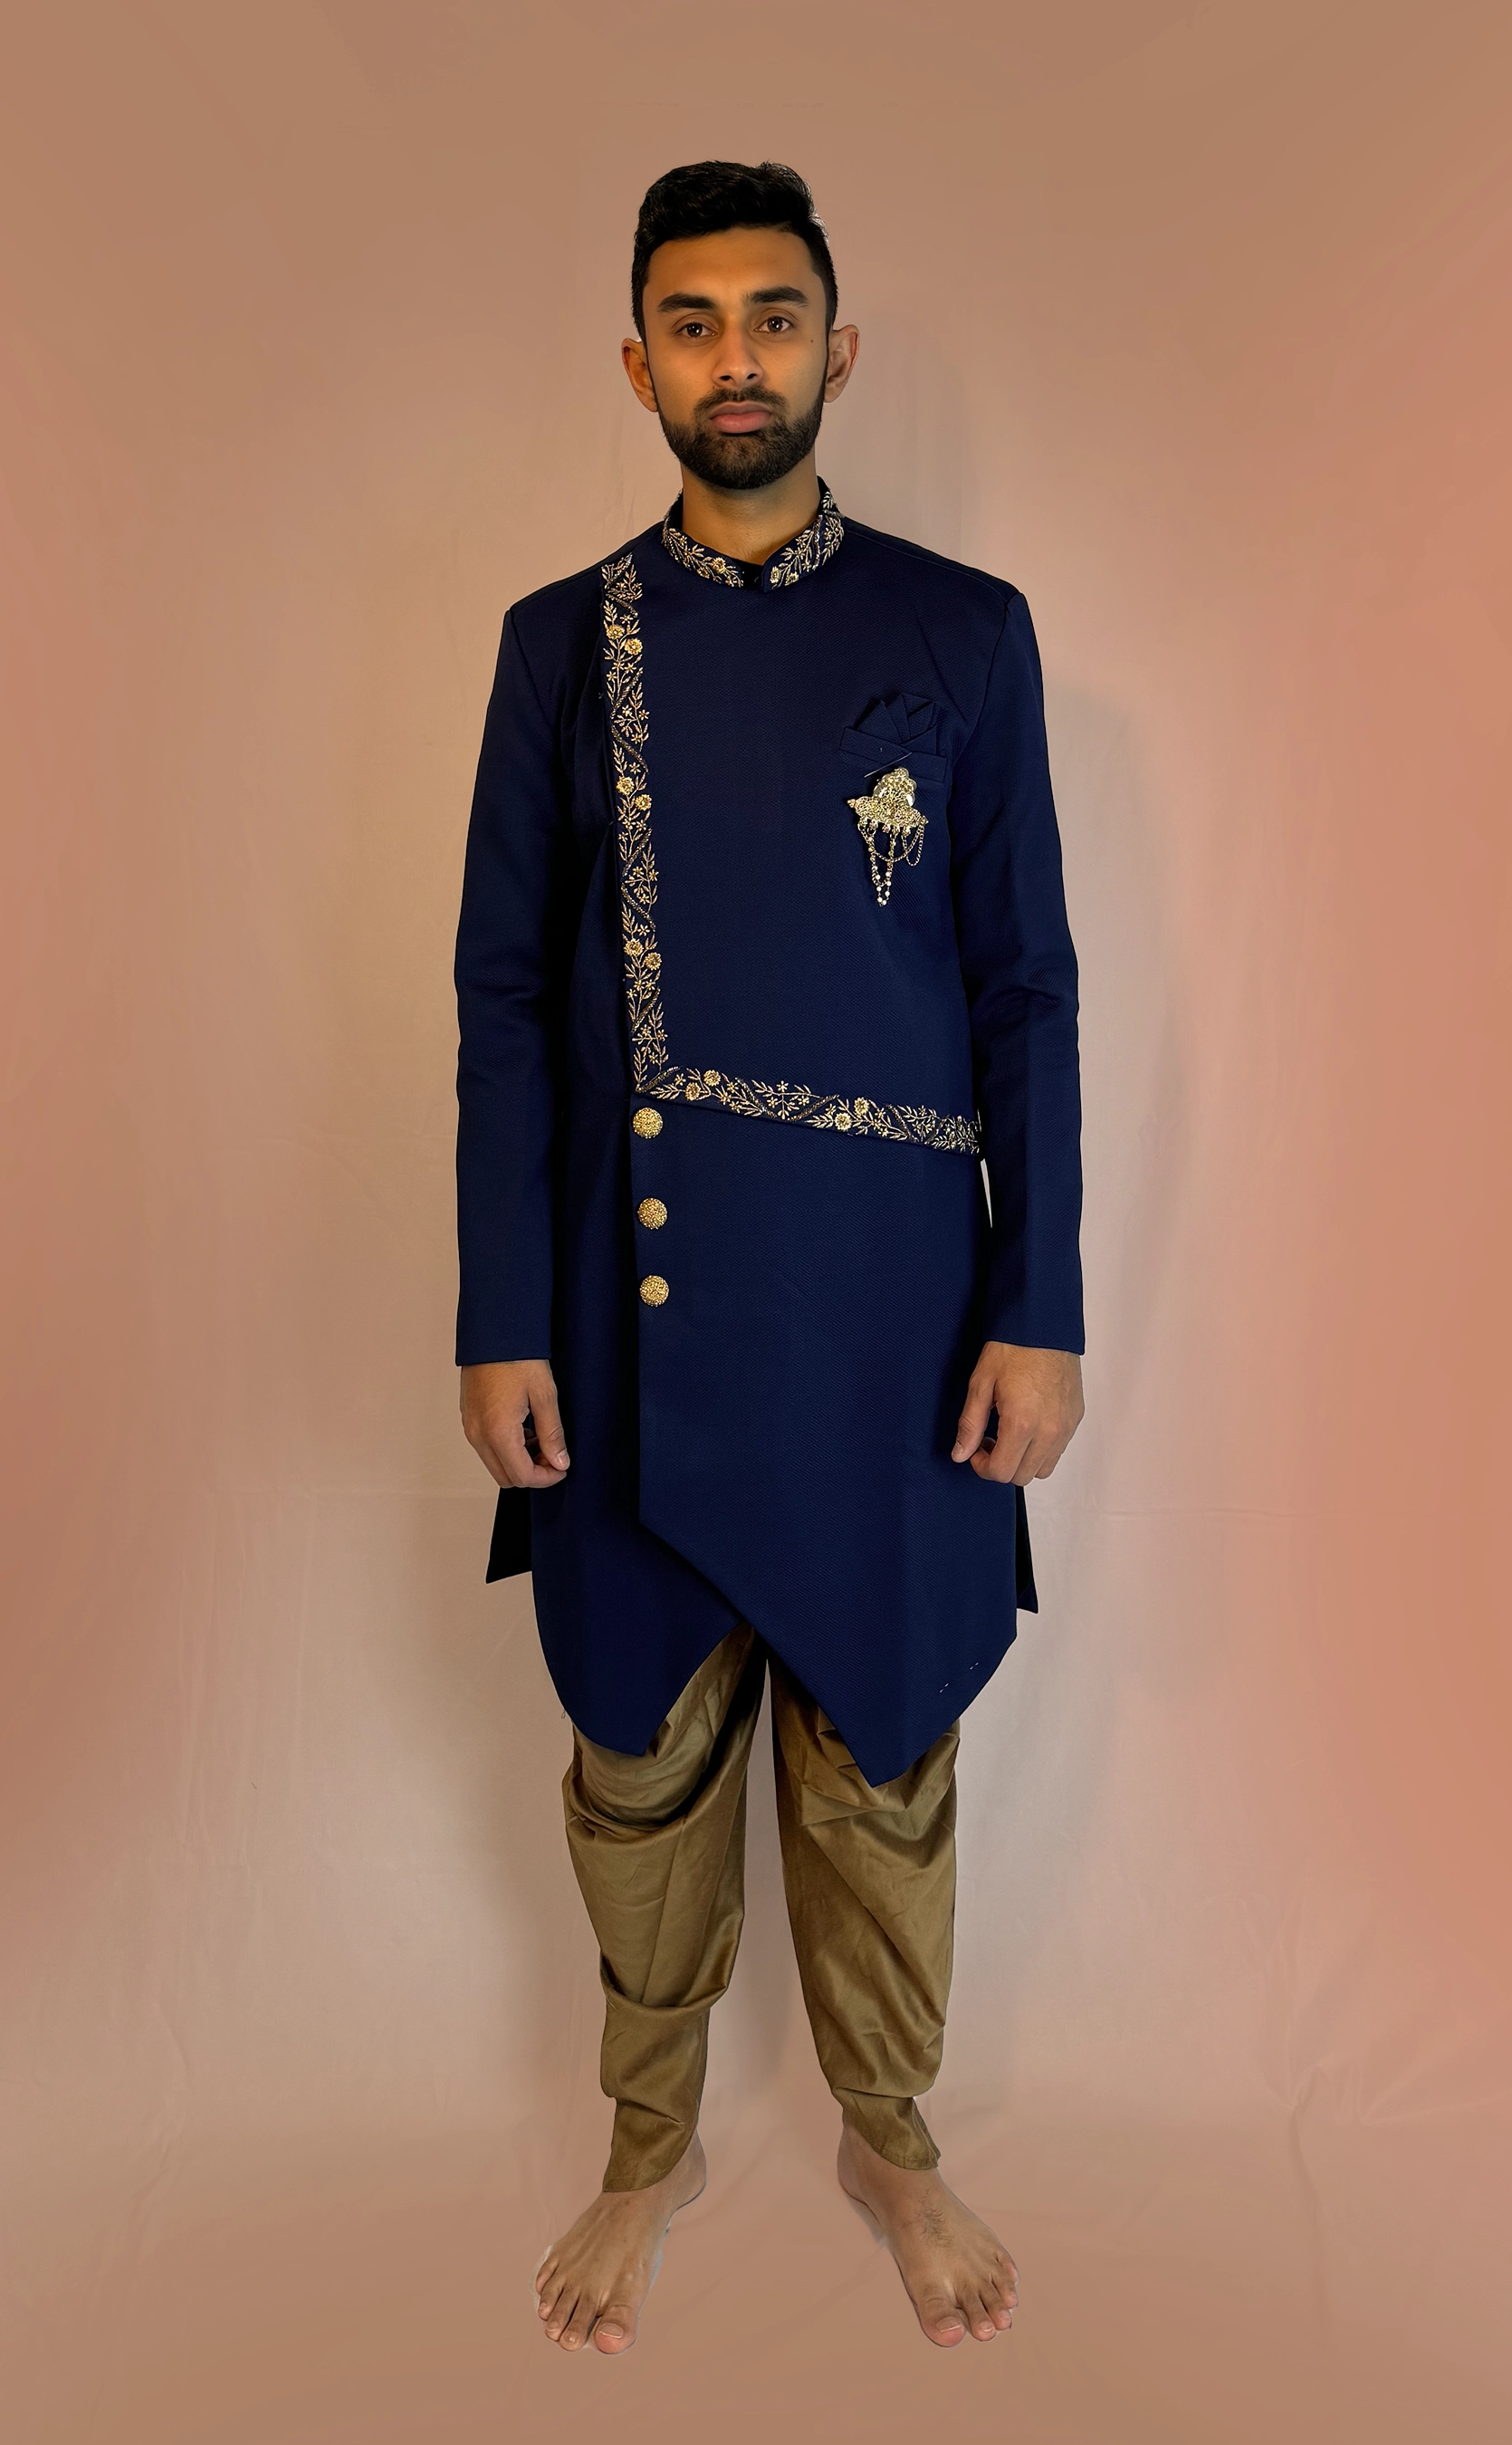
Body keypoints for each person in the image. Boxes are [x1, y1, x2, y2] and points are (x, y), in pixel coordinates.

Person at [454, 159, 1085, 2356]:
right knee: (634, 1754)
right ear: (636, 361)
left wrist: (1039, 1305)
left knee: (879, 1751)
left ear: (839, 345)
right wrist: (497, 1318)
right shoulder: (560, 643)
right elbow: (502, 1006)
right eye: (695, 320)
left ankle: (889, 2137)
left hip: (893, 1311)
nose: (737, 357)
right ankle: (650, 2145)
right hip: (623, 1317)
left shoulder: (962, 631)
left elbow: (1026, 994)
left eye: (775, 314)